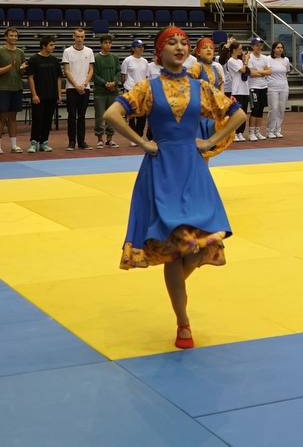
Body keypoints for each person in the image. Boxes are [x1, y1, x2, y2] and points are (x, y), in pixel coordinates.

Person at [104, 26, 245, 350]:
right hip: (162, 170)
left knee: (189, 247)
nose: (179, 47)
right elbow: (112, 113)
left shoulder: (201, 86)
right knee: (175, 247)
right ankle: (183, 323)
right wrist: (142, 142)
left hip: (193, 169)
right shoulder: (147, 88)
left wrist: (210, 141)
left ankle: (179, 306)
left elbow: (236, 115)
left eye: (184, 42)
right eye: (172, 42)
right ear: (160, 51)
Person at [0, 27, 26, 155]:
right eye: (11, 35)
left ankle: (14, 145)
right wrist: (9, 66)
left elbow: (21, 71)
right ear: (6, 37)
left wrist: (23, 68)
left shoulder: (20, 52)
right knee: (1, 117)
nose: (14, 38)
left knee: (13, 118)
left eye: (15, 36)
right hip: (2, 88)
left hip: (17, 87)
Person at [26, 35, 62, 153]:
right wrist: (34, 94)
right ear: (44, 46)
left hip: (51, 95)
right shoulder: (34, 59)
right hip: (39, 96)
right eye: (51, 45)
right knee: (37, 119)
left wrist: (59, 95)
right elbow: (30, 78)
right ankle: (33, 142)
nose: (53, 47)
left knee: (47, 120)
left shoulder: (54, 60)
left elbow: (58, 78)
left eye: (54, 44)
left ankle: (44, 142)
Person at [61, 27, 94, 152]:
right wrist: (76, 85)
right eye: (77, 36)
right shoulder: (67, 51)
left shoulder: (89, 51)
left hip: (85, 88)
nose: (80, 39)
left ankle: (81, 142)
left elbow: (91, 70)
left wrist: (84, 84)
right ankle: (71, 142)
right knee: (71, 116)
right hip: (71, 88)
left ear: (84, 37)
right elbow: (66, 70)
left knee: (82, 116)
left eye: (82, 37)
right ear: (73, 37)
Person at [92, 35, 121, 149]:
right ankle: (99, 139)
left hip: (113, 92)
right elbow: (94, 74)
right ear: (101, 44)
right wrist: (105, 83)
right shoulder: (96, 58)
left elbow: (118, 71)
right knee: (100, 116)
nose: (108, 45)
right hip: (100, 92)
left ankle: (110, 139)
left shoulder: (115, 57)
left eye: (109, 43)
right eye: (105, 43)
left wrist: (114, 82)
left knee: (112, 116)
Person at [121, 39, 151, 143]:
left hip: (142, 91)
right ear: (133, 48)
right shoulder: (127, 60)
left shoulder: (145, 61)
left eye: (142, 46)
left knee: (142, 115)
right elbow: (123, 76)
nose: (141, 48)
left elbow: (146, 77)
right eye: (139, 46)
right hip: (130, 90)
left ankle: (139, 135)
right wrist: (126, 88)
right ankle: (133, 138)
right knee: (132, 115)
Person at [265, 41, 291, 140]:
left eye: (281, 47)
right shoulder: (268, 59)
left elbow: (286, 72)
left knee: (281, 109)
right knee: (274, 108)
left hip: (284, 87)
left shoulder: (286, 60)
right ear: (273, 49)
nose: (280, 49)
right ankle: (270, 130)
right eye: (278, 47)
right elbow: (266, 71)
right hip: (272, 87)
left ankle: (277, 130)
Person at [245, 36, 270, 141]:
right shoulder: (249, 57)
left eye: (260, 45)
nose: (258, 47)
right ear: (252, 46)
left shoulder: (265, 58)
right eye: (256, 45)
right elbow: (251, 73)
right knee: (254, 109)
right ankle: (251, 132)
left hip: (264, 86)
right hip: (253, 87)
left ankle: (257, 131)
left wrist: (259, 72)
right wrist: (262, 72)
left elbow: (269, 71)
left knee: (260, 109)